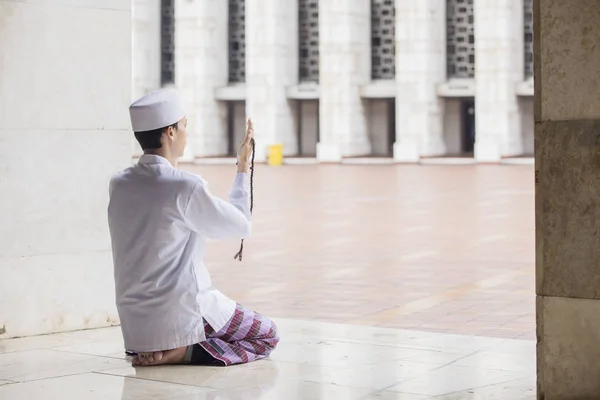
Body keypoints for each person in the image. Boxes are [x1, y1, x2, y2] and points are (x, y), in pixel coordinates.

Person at [107, 88, 279, 367]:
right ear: (170, 133)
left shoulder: (119, 183)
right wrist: (242, 166)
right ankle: (181, 352)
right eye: (184, 126)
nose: (187, 133)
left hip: (135, 327)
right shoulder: (184, 186)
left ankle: (171, 347)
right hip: (183, 313)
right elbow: (240, 226)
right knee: (268, 335)